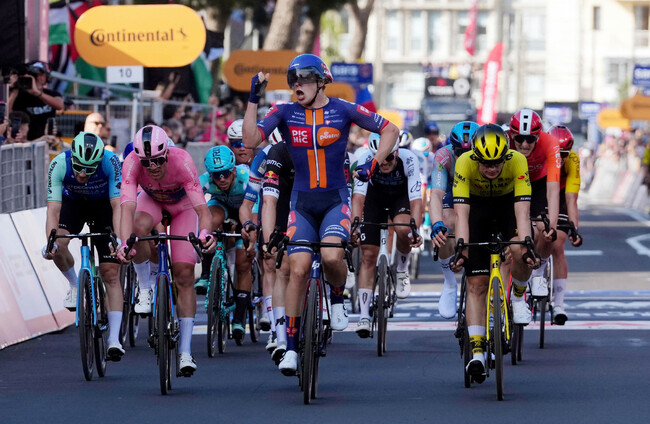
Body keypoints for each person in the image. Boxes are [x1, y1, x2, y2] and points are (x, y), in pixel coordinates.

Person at [242, 53, 399, 375]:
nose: (297, 86)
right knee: (298, 269)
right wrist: (253, 98)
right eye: (293, 81)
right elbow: (249, 140)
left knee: (330, 257)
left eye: (303, 80)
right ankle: (290, 348)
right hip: (301, 203)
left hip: (334, 201)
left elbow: (391, 130)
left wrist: (372, 163)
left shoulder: (343, 109)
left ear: (321, 82)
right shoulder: (284, 112)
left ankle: (338, 297)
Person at [117, 125, 215, 375]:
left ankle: (185, 351)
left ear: (167, 153)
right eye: (146, 162)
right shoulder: (131, 163)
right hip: (151, 201)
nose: (152, 167)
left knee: (184, 275)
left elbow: (202, 210)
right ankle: (145, 287)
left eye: (158, 160)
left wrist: (205, 233)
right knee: (137, 229)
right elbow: (126, 208)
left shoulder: (182, 160)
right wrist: (124, 243)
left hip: (183, 208)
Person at [451, 124, 538, 382]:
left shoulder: (518, 161)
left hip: (507, 206)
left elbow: (522, 212)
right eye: (485, 163)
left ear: (506, 156)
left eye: (497, 163)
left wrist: (527, 245)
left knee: (521, 249)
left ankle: (519, 295)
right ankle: (477, 352)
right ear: (475, 157)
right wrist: (462, 249)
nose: (492, 168)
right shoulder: (464, 163)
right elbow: (462, 215)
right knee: (477, 284)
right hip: (476, 208)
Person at [42, 132, 125, 360]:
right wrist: (50, 242)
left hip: (103, 206)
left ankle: (114, 339)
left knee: (111, 273)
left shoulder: (110, 162)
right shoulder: (59, 163)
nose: (82, 174)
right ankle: (74, 285)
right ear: (72, 159)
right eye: (78, 167)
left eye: (89, 169)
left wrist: (119, 239)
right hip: (73, 204)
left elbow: (118, 205)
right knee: (58, 245)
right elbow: (53, 210)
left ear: (98, 162)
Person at [351, 133, 423, 337]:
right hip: (374, 199)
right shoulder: (365, 159)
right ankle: (364, 315)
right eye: (380, 159)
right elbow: (358, 198)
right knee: (368, 255)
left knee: (403, 229)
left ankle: (402, 269)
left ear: (397, 152)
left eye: (389, 157)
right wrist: (355, 226)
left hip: (400, 198)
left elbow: (416, 200)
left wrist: (415, 231)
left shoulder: (409, 159)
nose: (384, 163)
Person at [195, 145, 256, 342]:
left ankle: (239, 318)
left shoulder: (246, 177)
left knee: (243, 265)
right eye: (216, 175)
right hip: (221, 207)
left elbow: (255, 208)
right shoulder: (205, 180)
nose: (221, 179)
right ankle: (206, 274)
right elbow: (189, 202)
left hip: (246, 210)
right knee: (210, 220)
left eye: (225, 173)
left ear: (234, 170)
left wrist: (249, 230)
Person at [508, 109, 561, 323]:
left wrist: (552, 227)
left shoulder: (550, 144)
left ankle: (539, 272)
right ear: (511, 135)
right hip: (512, 183)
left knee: (543, 229)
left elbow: (553, 190)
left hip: (538, 184)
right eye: (519, 138)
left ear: (538, 136)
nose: (524, 144)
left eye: (530, 139)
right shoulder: (503, 140)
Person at [429, 121, 479, 319]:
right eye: (459, 152)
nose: (464, 157)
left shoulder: (487, 157)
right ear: (452, 148)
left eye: (470, 152)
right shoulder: (443, 155)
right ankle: (450, 283)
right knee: (446, 223)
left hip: (480, 191)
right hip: (452, 189)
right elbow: (436, 194)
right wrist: (436, 224)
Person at [547, 125, 583, 324]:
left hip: (559, 196)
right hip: (540, 193)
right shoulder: (540, 154)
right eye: (558, 153)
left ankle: (559, 304)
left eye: (565, 154)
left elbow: (571, 199)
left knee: (557, 244)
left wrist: (573, 229)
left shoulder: (573, 159)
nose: (561, 158)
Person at [8, 61, 64, 140]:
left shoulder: (52, 94)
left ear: (46, 77)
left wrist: (37, 93)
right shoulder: (20, 96)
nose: (38, 78)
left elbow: (60, 105)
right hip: (25, 142)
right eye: (34, 75)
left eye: (41, 75)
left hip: (47, 140)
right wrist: (14, 91)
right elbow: (8, 114)